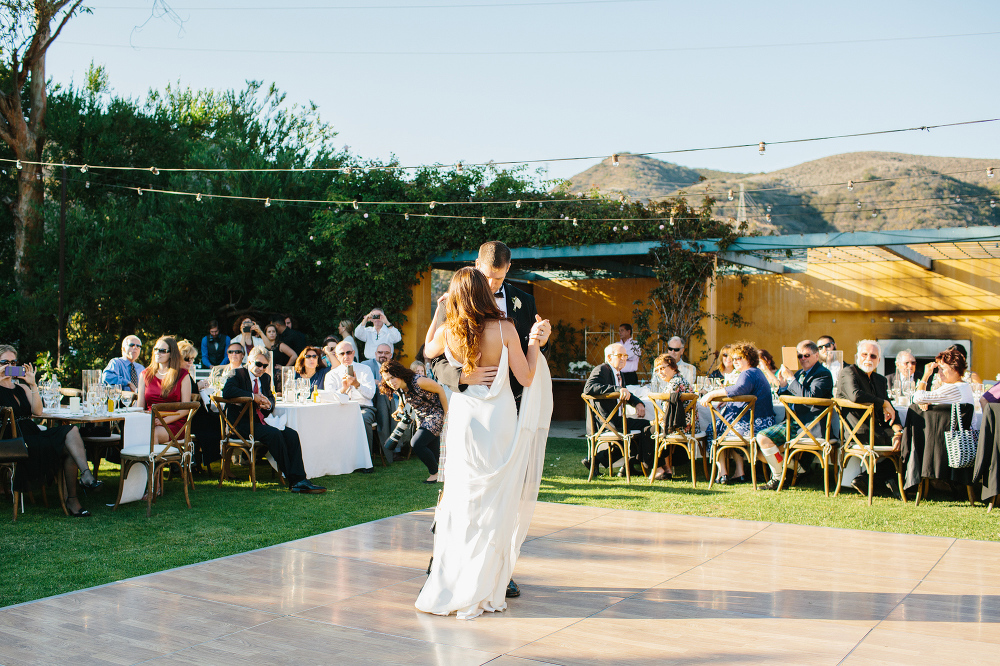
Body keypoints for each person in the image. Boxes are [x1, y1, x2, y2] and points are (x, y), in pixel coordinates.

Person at [415, 266, 550, 620]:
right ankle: (487, 583)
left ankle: (455, 579)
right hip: (499, 420)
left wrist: (440, 312)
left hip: (464, 422)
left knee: (464, 498)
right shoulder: (505, 329)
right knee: (496, 499)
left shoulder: (448, 331)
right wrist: (534, 343)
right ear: (483, 293)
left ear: (457, 297)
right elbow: (526, 376)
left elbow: (428, 353)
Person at [430, 240, 550, 409]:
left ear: (508, 268)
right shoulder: (451, 303)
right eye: (486, 277)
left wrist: (542, 342)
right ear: (477, 264)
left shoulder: (525, 301)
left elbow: (531, 353)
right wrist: (460, 376)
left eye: (499, 278)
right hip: (467, 400)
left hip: (513, 402)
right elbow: (435, 359)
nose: (492, 284)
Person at [0, 344, 100, 517]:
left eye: (13, 361)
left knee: (71, 432)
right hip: (12, 439)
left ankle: (83, 480)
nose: (9, 365)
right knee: (68, 445)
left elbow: (38, 412)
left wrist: (32, 385)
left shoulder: (22, 387)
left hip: (32, 433)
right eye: (4, 362)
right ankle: (77, 493)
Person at [222, 346, 326, 494]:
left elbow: (270, 398)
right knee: (274, 434)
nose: (261, 369)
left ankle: (300, 478)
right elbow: (227, 391)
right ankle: (294, 480)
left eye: (265, 366)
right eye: (258, 364)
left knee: (292, 434)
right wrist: (253, 397)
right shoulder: (237, 373)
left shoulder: (265, 378)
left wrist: (268, 403)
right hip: (241, 424)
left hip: (261, 422)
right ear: (249, 361)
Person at [756, 340, 833, 490]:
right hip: (794, 423)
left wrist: (791, 379)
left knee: (763, 438)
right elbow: (787, 398)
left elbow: (810, 399)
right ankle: (799, 469)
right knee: (761, 453)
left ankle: (778, 479)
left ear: (817, 355)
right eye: (800, 356)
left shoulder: (823, 374)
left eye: (806, 355)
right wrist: (784, 385)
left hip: (808, 425)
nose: (803, 359)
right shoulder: (800, 374)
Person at [699, 341, 776, 485]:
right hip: (762, 422)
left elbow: (739, 389)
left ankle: (722, 473)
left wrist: (711, 394)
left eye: (739, 358)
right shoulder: (756, 372)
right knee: (725, 425)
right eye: (733, 359)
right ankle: (739, 472)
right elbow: (743, 393)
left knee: (713, 429)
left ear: (749, 358)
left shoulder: (748, 373)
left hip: (754, 426)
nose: (735, 361)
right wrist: (728, 400)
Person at [836, 339, 903, 495]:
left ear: (879, 360)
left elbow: (888, 409)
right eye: (864, 354)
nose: (868, 359)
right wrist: (883, 402)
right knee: (910, 439)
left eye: (873, 356)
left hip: (877, 431)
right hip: (857, 433)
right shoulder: (848, 372)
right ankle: (890, 481)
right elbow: (855, 396)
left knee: (905, 437)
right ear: (857, 356)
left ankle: (867, 479)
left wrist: (898, 430)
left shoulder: (880, 380)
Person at [582, 342, 650, 476]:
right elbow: (588, 388)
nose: (624, 358)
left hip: (616, 419)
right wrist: (617, 389)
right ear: (609, 357)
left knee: (641, 429)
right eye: (620, 355)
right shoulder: (602, 369)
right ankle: (630, 466)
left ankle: (601, 462)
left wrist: (638, 403)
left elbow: (625, 393)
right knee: (645, 427)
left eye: (625, 355)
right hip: (605, 421)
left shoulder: (619, 374)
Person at [379, 359, 448, 483]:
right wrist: (399, 409)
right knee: (434, 451)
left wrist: (446, 415)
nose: (391, 382)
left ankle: (435, 474)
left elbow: (440, 390)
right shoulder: (399, 386)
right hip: (421, 417)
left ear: (399, 373)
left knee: (417, 443)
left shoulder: (419, 381)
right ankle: (444, 473)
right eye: (387, 379)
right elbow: (403, 398)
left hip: (435, 414)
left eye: (393, 377)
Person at [323, 340, 379, 461]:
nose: (346, 356)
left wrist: (357, 384)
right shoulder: (332, 375)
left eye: (348, 352)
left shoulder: (365, 369)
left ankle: (365, 460)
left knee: (363, 419)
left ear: (353, 353)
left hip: (363, 407)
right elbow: (330, 398)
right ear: (336, 356)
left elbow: (370, 395)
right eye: (342, 353)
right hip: (340, 408)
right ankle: (336, 459)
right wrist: (344, 388)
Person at [137, 337, 193, 444]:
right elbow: (140, 407)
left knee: (151, 433)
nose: (158, 353)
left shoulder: (182, 375)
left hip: (174, 423)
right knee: (132, 431)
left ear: (172, 354)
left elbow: (185, 409)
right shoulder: (145, 374)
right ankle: (140, 461)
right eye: (156, 349)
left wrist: (162, 421)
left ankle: (153, 460)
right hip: (150, 421)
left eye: (162, 351)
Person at [647, 353, 694, 480]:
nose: (659, 372)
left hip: (679, 426)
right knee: (653, 428)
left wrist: (654, 422)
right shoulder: (680, 380)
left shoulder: (674, 384)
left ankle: (658, 468)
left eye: (662, 368)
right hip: (686, 426)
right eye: (657, 370)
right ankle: (666, 468)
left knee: (648, 431)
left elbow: (667, 413)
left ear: (673, 366)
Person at [177, 340, 222, 471]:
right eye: (186, 359)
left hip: (195, 413)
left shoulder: (184, 372)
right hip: (188, 416)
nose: (190, 362)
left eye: (192, 359)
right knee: (219, 423)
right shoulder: (178, 373)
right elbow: (181, 394)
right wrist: (198, 386)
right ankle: (209, 459)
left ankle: (206, 459)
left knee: (220, 420)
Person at [362, 343, 399, 454]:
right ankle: (389, 449)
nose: (383, 355)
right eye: (380, 352)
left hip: (391, 400)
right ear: (375, 354)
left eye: (386, 353)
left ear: (391, 355)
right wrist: (374, 382)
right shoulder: (365, 365)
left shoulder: (395, 368)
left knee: (393, 406)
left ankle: (393, 448)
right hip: (369, 401)